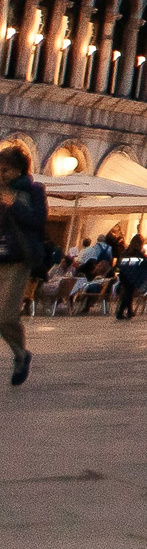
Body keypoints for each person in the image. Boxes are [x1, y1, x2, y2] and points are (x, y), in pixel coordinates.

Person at [0, 146, 47, 386]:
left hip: (17, 259)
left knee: (6, 316)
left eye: (5, 169)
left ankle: (20, 354)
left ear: (18, 170)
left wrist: (13, 205)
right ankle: (19, 354)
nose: (1, 173)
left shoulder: (33, 191)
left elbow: (38, 221)